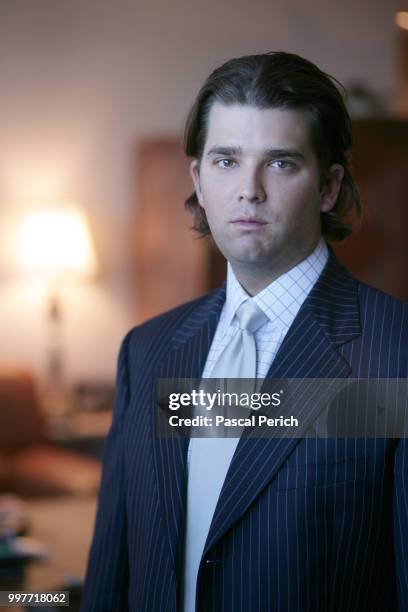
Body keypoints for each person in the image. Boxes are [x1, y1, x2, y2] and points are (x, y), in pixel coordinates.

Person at [80, 52, 408, 612]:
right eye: (226, 160)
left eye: (280, 163)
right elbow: (111, 574)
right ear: (199, 180)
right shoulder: (148, 349)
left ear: (329, 187)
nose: (248, 190)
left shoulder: (395, 351)